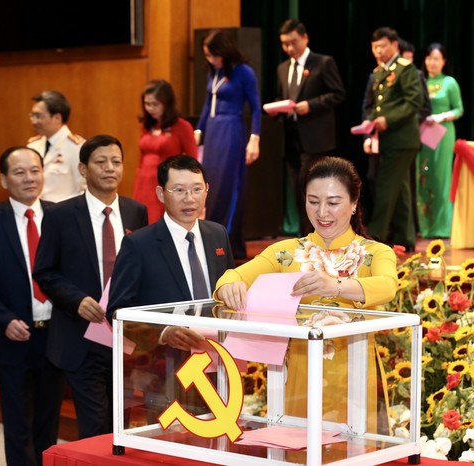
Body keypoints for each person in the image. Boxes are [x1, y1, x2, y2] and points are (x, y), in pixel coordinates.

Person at [215, 156, 397, 430]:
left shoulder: (374, 252)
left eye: (333, 202)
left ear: (354, 204)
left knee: (356, 448)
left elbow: (387, 286)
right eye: (313, 201)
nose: (322, 212)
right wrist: (229, 284)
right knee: (299, 444)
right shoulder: (285, 252)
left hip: (355, 371)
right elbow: (233, 276)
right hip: (301, 370)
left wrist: (334, 285)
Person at [34, 135, 148, 439]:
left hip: (125, 339)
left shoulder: (137, 212)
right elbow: (44, 271)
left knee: (121, 427)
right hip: (80, 336)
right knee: (95, 427)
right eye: (101, 162)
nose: (110, 168)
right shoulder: (60, 215)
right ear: (83, 169)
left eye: (116, 161)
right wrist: (76, 300)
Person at [0, 147, 64, 466]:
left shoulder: (59, 216)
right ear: (4, 179)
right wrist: (4, 318)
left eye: (35, 170)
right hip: (12, 334)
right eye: (20, 172)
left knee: (48, 422)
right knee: (17, 423)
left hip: (54, 336)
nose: (29, 178)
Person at [108, 154, 235, 332]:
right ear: (161, 194)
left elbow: (229, 284)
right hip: (166, 355)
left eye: (197, 189)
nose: (189, 198)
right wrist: (163, 332)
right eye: (179, 190)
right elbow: (117, 311)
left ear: (207, 189)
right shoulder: (138, 244)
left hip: (217, 347)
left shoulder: (218, 234)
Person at [274, 19, 346, 236]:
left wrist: (311, 105)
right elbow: (282, 95)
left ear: (305, 38)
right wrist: (277, 107)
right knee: (296, 187)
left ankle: (314, 233)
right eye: (285, 44)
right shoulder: (282, 67)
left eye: (293, 42)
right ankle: (305, 234)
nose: (289, 48)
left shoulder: (322, 63)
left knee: (309, 186)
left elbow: (338, 94)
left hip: (315, 137)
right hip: (290, 136)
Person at [196, 30, 261, 260]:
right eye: (206, 55)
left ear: (224, 51)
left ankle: (228, 243)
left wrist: (255, 138)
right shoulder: (214, 72)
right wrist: (198, 131)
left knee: (228, 187)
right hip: (213, 133)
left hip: (232, 131)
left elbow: (255, 108)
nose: (209, 59)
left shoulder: (244, 72)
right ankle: (212, 239)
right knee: (212, 187)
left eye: (213, 55)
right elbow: (206, 104)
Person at [361, 27, 423, 252]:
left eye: (383, 46)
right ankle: (406, 238)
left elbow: (414, 101)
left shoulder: (405, 69)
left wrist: (388, 119)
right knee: (401, 189)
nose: (378, 51)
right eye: (375, 47)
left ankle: (374, 236)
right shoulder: (379, 72)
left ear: (395, 46)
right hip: (387, 140)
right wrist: (372, 127)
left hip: (402, 140)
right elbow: (375, 106)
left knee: (386, 186)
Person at [134, 79, 199, 223]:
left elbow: (193, 162)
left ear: (167, 103)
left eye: (155, 104)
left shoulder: (182, 127)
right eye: (147, 104)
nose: (150, 109)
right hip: (143, 183)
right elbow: (141, 160)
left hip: (166, 183)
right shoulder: (146, 126)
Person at [416, 43, 464, 238]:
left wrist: (441, 116)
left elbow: (459, 109)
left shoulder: (449, 82)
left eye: (436, 59)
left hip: (442, 132)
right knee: (423, 177)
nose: (432, 63)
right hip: (422, 132)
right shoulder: (420, 81)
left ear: (444, 61)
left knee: (441, 178)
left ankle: (442, 227)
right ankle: (425, 227)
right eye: (429, 58)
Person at [27, 90, 86, 202]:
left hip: (65, 215)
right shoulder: (33, 146)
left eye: (38, 116)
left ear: (57, 118)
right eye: (32, 115)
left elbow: (84, 189)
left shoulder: (77, 147)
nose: (34, 121)